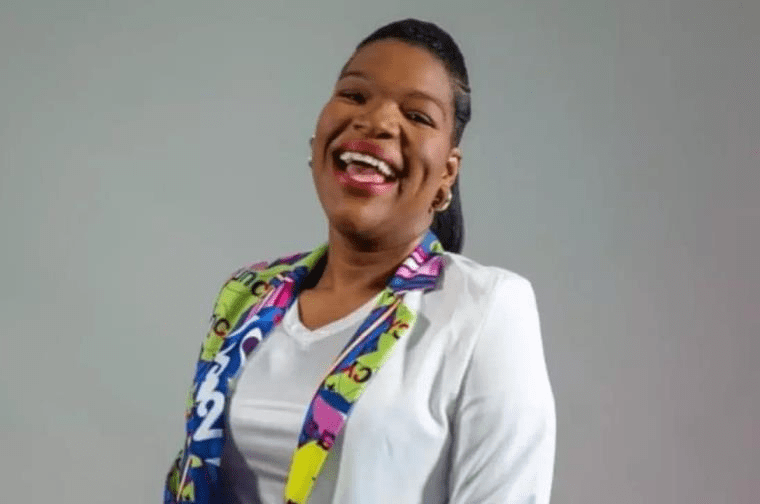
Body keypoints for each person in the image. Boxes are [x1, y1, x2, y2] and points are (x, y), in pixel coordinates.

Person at [163, 18, 555, 504]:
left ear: (447, 175)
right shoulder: (249, 295)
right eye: (354, 95)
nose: (378, 121)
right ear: (316, 142)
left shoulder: (485, 308)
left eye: (418, 115)